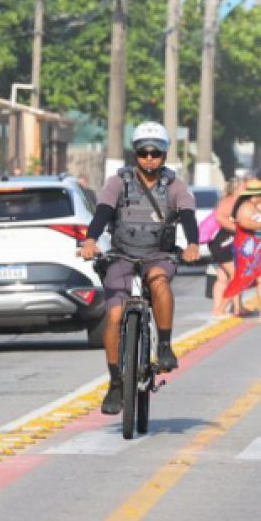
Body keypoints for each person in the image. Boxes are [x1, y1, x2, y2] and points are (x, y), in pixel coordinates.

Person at [79, 122, 200, 415]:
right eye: (144, 153)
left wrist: (193, 243)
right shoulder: (118, 182)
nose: (149, 159)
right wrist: (91, 240)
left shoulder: (175, 186)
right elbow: (104, 211)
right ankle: (116, 383)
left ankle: (166, 346)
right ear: (135, 154)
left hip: (158, 254)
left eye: (155, 153)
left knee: (159, 280)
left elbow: (187, 215)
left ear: (164, 155)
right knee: (115, 314)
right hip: (122, 255)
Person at [222, 178, 261, 322]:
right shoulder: (246, 206)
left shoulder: (254, 206)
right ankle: (223, 308)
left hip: (259, 250)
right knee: (242, 278)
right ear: (255, 194)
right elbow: (244, 222)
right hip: (249, 251)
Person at [208, 179, 241, 318]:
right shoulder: (231, 201)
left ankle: (219, 308)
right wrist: (239, 229)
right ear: (236, 189)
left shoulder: (226, 200)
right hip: (224, 242)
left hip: (220, 242)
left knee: (222, 277)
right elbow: (221, 218)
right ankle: (234, 309)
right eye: (243, 187)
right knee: (237, 276)